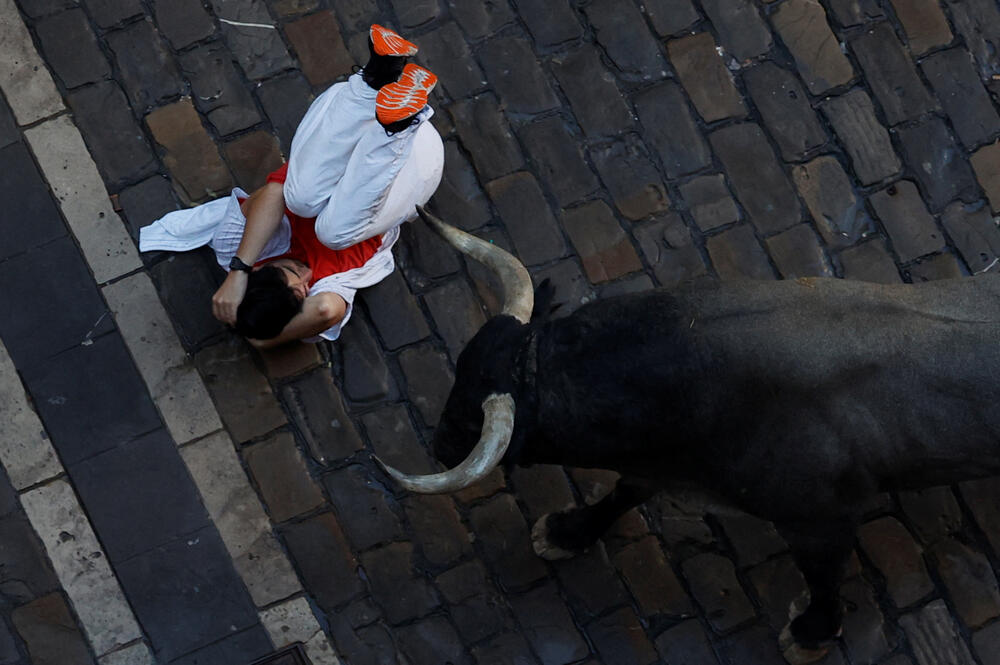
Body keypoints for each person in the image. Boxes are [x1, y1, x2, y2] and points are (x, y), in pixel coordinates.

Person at [139, 25, 443, 348]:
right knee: (332, 233)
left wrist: (238, 270)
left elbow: (270, 193)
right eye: (300, 292)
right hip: (412, 163)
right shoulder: (326, 291)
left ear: (260, 268)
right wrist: (263, 340)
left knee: (298, 198)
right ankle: (396, 129)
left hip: (352, 119)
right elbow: (326, 311)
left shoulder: (235, 250)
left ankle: (376, 77)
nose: (305, 277)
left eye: (287, 271)